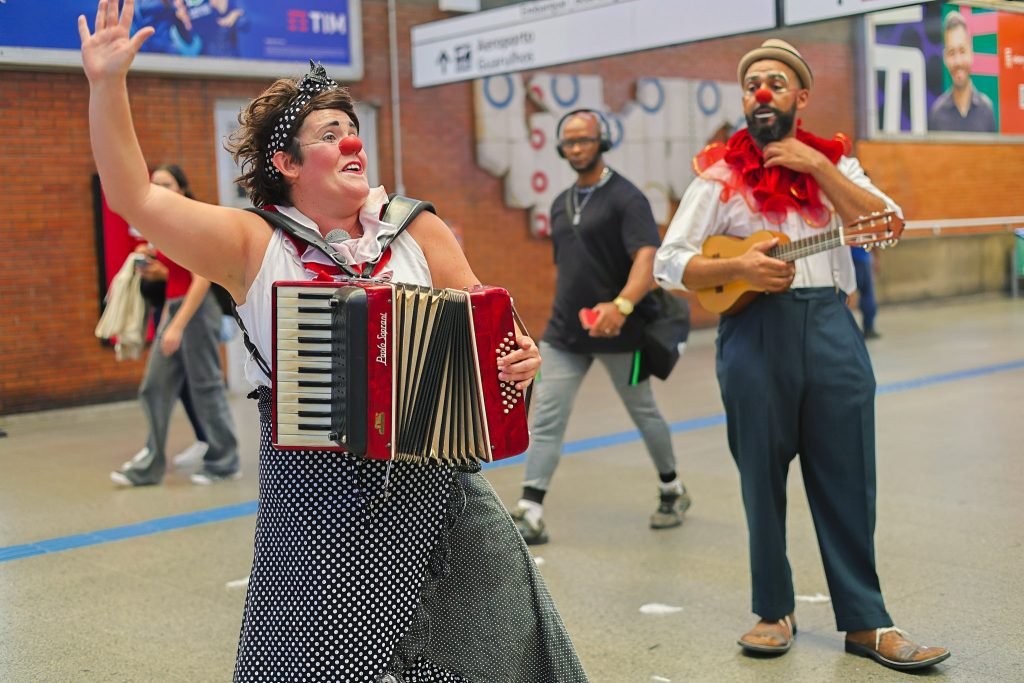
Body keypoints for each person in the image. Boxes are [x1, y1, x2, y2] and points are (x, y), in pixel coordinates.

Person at [79, 2, 587, 681]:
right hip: (319, 506)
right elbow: (134, 197)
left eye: (354, 130)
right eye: (330, 133)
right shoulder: (254, 245)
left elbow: (493, 327)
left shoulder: (416, 230)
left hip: (441, 496)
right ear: (285, 161)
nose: (353, 142)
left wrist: (517, 359)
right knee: (324, 661)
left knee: (494, 648)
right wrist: (107, 84)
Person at [654, 39, 950, 671]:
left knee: (849, 475)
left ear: (801, 97)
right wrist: (738, 265)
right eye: (752, 83)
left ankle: (867, 622)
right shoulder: (718, 174)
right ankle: (772, 609)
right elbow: (669, 262)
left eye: (777, 83)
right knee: (761, 479)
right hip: (754, 335)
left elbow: (886, 224)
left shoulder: (836, 163)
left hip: (831, 328)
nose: (762, 92)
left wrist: (818, 168)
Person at [509, 109, 689, 546]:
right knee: (548, 415)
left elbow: (647, 259)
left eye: (584, 140)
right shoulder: (559, 202)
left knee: (642, 408)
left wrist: (623, 305)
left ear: (602, 142)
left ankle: (672, 489)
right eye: (568, 142)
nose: (576, 149)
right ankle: (531, 508)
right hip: (565, 333)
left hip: (621, 333)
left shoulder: (627, 199)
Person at [111, 164, 240, 486]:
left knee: (206, 387)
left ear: (181, 188)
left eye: (166, 184)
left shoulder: (190, 223)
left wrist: (177, 326)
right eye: (154, 184)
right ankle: (150, 463)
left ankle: (224, 461)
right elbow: (176, 279)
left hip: (196, 311)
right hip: (175, 307)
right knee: (154, 387)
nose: (160, 190)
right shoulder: (160, 226)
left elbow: (201, 279)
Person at [928, 11, 996, 133]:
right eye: (952, 53)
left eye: (962, 51)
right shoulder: (936, 114)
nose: (958, 61)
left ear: (971, 53)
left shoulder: (987, 110)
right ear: (945, 58)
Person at [850, 246, 880, 339]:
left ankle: (850, 329)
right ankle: (868, 328)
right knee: (867, 294)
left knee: (848, 295)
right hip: (863, 259)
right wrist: (877, 257)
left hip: (851, 260)